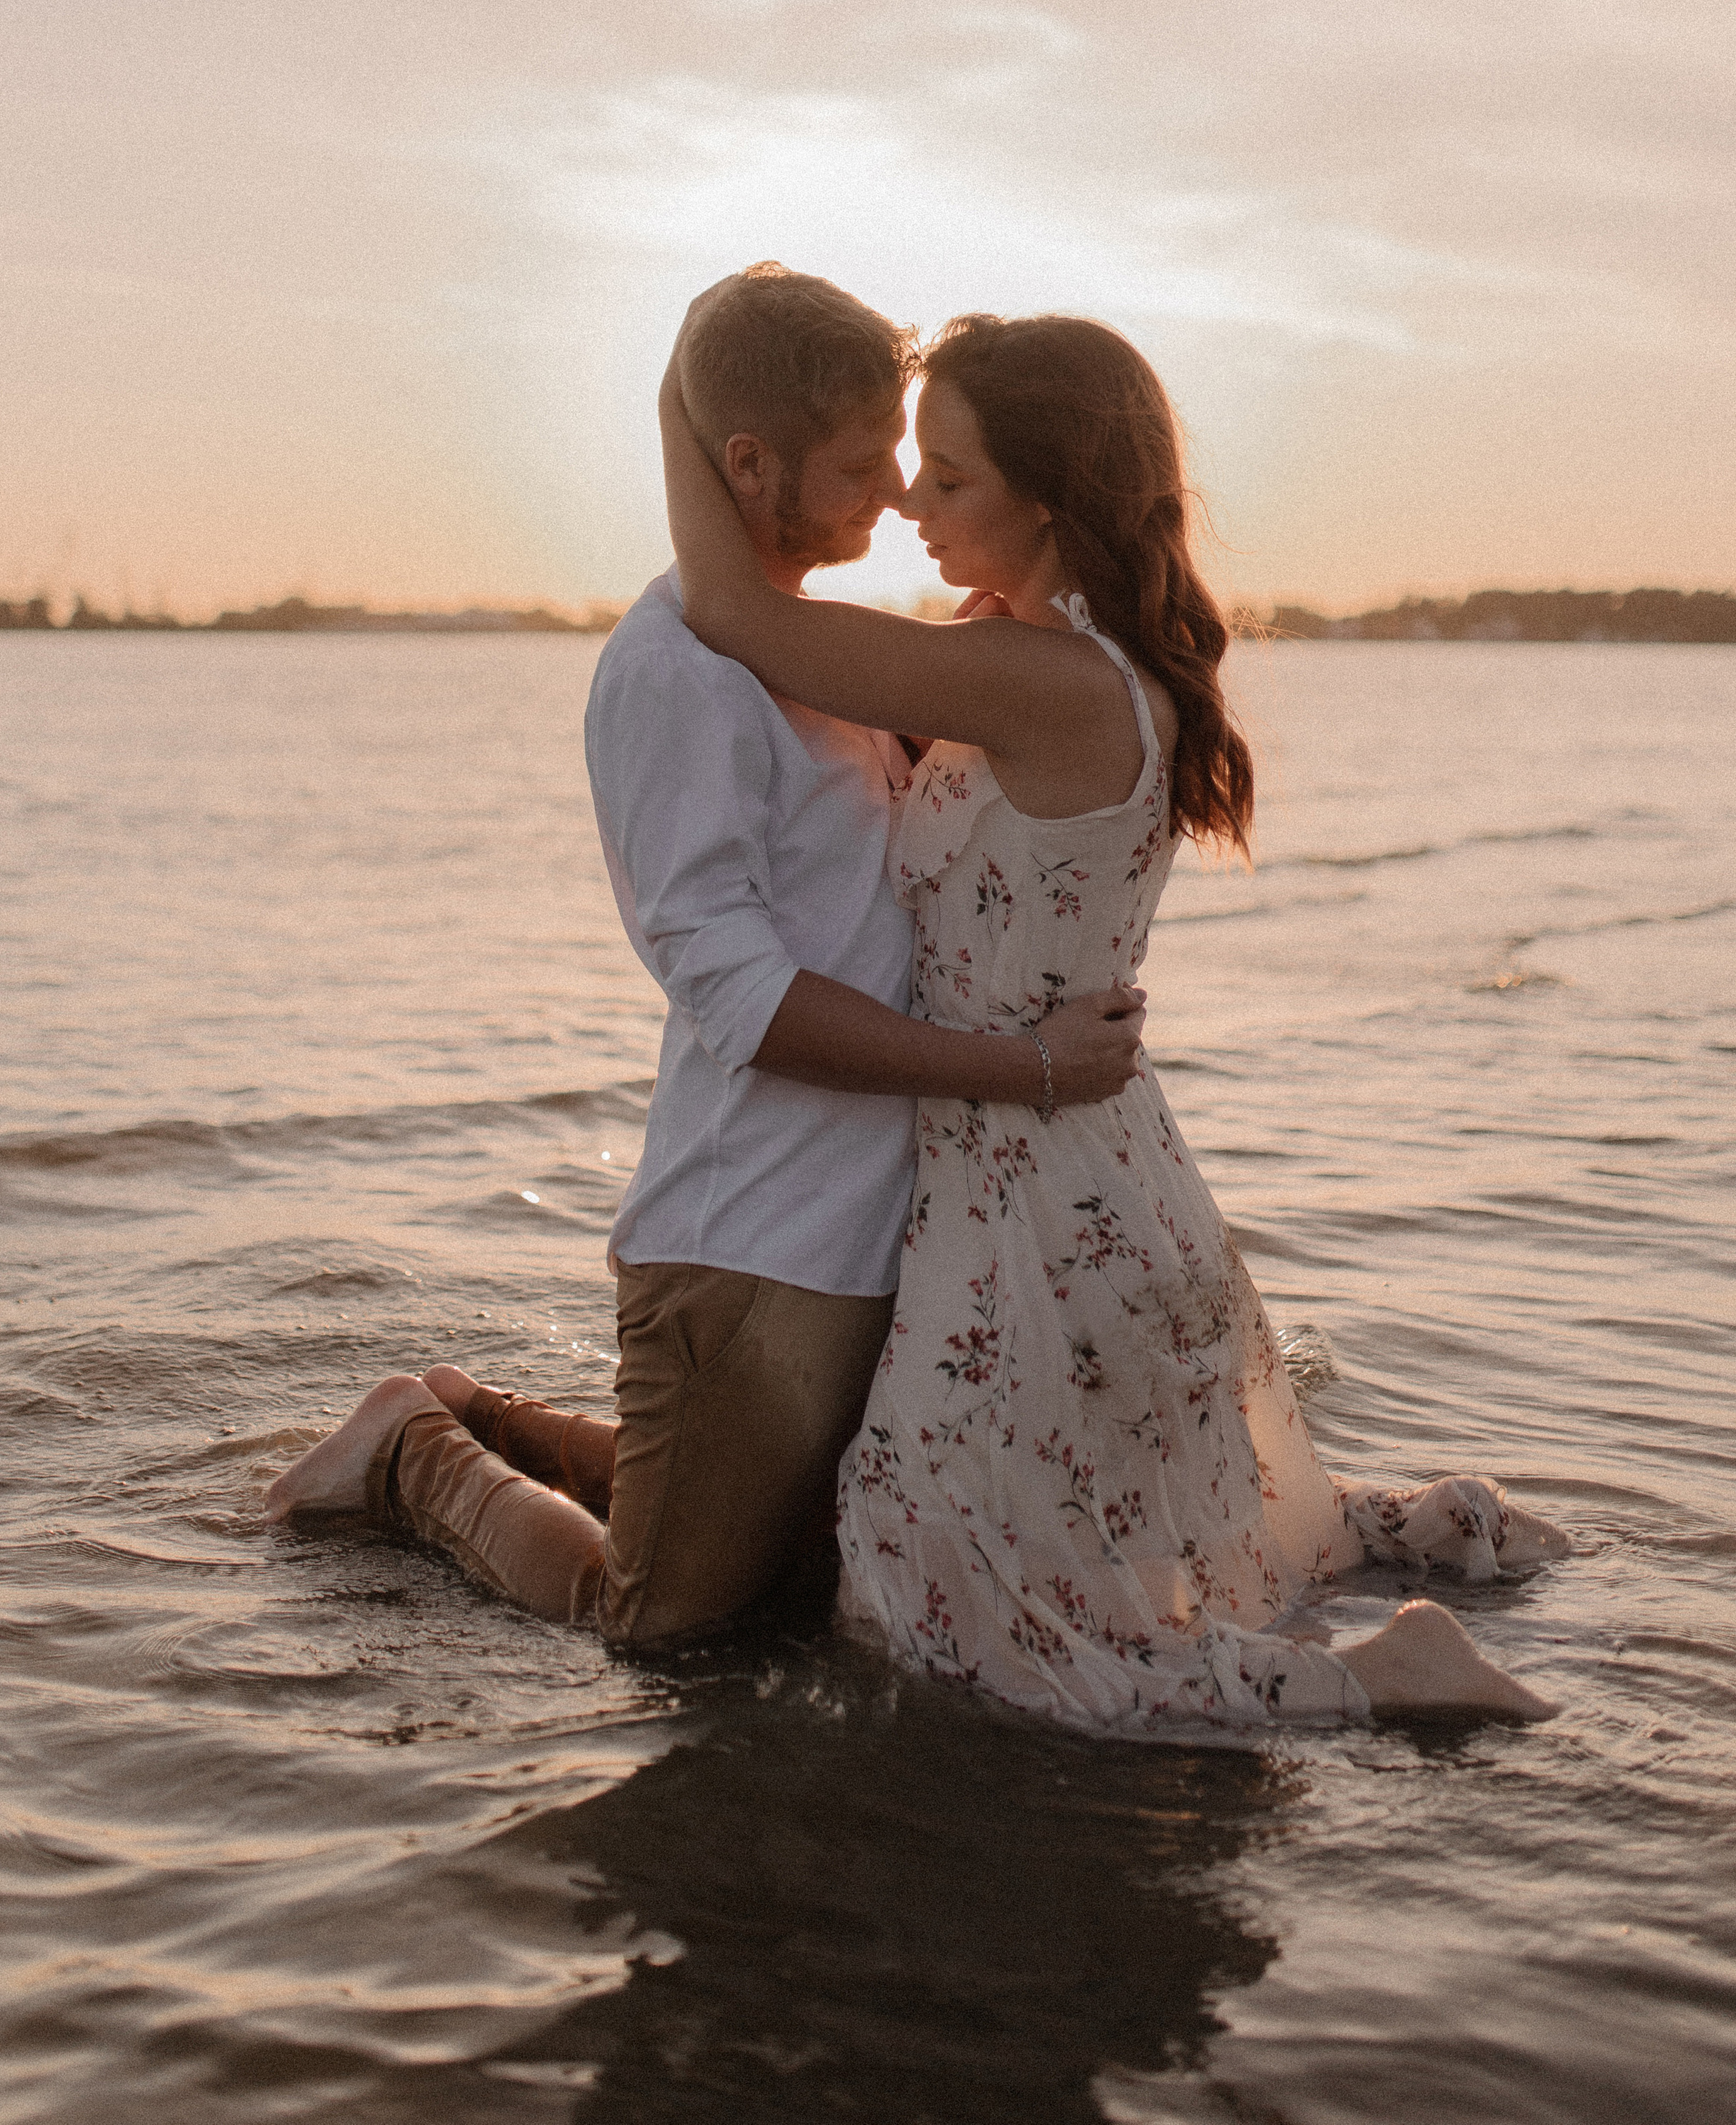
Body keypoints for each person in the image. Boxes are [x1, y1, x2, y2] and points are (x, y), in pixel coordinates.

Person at [657, 303, 1568, 1726]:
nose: (908, 500)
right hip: (1074, 1176)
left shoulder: (1035, 680)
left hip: (1032, 1188)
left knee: (950, 1615)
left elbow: (733, 616)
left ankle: (1380, 1682)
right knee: (1027, 1562)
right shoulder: (1032, 655)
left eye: (948, 479)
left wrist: (679, 395)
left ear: (1050, 499)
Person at [265, 266, 1146, 1644]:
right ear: (748, 465)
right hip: (749, 1238)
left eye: (911, 466)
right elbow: (730, 991)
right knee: (659, 1622)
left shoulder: (835, 663)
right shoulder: (675, 669)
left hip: (882, 1227)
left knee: (801, 1578)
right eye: (861, 466)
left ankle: (477, 1415)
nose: (892, 497)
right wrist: (1014, 1066)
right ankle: (406, 1450)